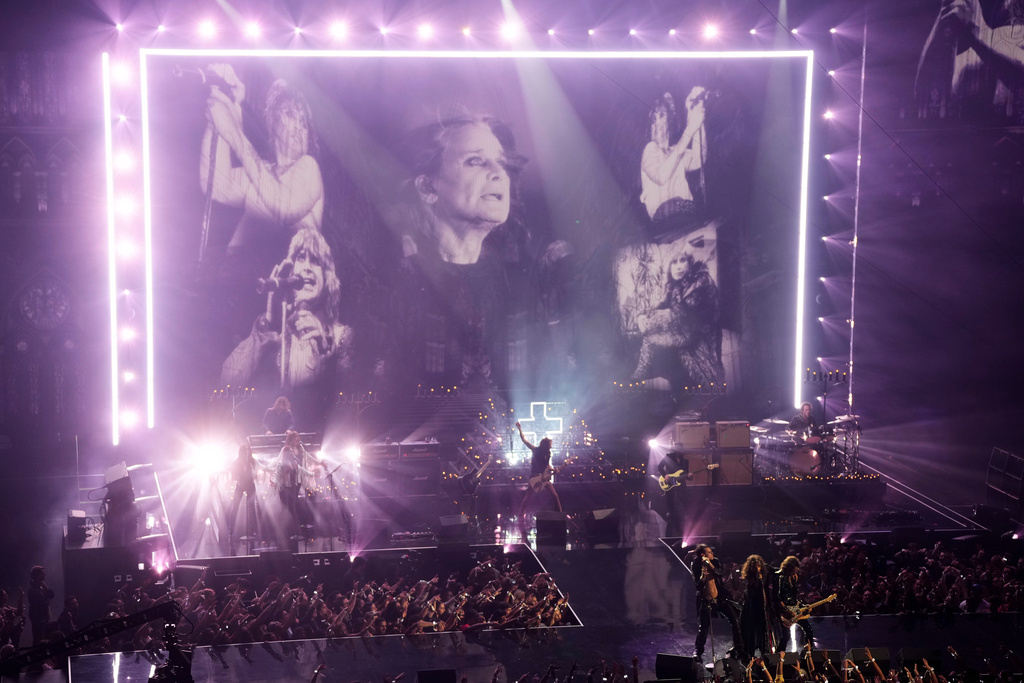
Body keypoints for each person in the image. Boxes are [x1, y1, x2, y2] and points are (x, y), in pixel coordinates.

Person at [386, 115, 527, 392]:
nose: (499, 173)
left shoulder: (517, 286)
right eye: (475, 160)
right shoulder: (398, 280)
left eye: (502, 162)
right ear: (427, 187)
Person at [201, 66, 324, 254]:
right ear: (273, 122)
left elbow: (284, 209)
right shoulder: (261, 172)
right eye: (291, 114)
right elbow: (216, 187)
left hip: (285, 280)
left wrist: (233, 131)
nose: (299, 127)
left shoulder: (309, 167)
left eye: (304, 123)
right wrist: (227, 107)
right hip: (237, 277)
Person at [220, 227, 353, 388]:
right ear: (291, 272)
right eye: (301, 258)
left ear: (326, 277)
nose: (307, 268)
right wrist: (268, 325)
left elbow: (348, 400)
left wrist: (326, 355)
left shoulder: (341, 338)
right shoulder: (277, 333)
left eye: (316, 261)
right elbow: (228, 384)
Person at [631, 243, 723, 388]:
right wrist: (641, 316)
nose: (678, 267)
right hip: (682, 348)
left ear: (690, 263)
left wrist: (654, 320)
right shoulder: (674, 287)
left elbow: (686, 319)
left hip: (699, 352)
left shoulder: (700, 284)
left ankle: (639, 374)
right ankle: (638, 375)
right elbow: (659, 304)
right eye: (674, 262)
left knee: (705, 391)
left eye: (682, 261)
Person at [640, 88, 707, 225]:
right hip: (664, 223)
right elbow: (661, 176)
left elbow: (699, 159)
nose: (656, 123)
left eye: (661, 116)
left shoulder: (676, 150)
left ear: (670, 121)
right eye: (653, 120)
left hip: (688, 216)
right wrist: (690, 128)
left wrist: (694, 113)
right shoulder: (650, 149)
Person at [690, 544, 744, 664]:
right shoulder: (696, 565)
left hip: (720, 597)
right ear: (703, 555)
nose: (712, 554)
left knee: (735, 620)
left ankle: (739, 648)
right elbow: (698, 585)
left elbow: (720, 574)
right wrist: (703, 575)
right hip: (705, 598)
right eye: (709, 552)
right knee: (704, 627)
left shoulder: (715, 561)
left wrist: (710, 565)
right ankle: (698, 652)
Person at [515, 421, 563, 517]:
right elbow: (524, 440)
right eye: (549, 445)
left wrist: (554, 470)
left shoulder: (548, 453)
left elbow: (547, 466)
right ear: (544, 445)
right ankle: (520, 514)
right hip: (535, 477)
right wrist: (520, 429)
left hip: (544, 478)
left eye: (550, 446)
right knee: (528, 497)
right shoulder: (536, 450)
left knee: (555, 496)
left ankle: (560, 514)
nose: (550, 447)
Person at [738, 554, 778, 659]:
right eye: (754, 566)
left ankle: (764, 654)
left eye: (758, 566)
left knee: (763, 632)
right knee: (751, 633)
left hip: (762, 609)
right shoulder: (748, 578)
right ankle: (750, 655)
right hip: (751, 609)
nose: (757, 568)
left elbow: (775, 571)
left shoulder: (765, 575)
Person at [275, 431, 312, 539]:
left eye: (298, 437)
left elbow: (307, 458)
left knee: (293, 504)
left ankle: (293, 530)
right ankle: (287, 530)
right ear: (291, 439)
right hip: (288, 479)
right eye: (296, 437)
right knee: (288, 506)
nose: (298, 439)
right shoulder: (286, 449)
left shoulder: (301, 448)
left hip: (296, 478)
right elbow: (279, 462)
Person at [776, 555, 814, 651]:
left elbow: (795, 597)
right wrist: (785, 610)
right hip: (786, 613)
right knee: (786, 637)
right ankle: (778, 658)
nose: (795, 571)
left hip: (796, 610)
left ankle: (808, 655)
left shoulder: (793, 578)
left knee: (809, 631)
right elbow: (777, 597)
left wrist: (803, 606)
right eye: (793, 569)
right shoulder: (780, 578)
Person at [227, 443, 259, 542]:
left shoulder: (252, 461)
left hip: (250, 485)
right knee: (234, 508)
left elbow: (259, 467)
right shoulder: (236, 462)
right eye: (245, 450)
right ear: (241, 452)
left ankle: (253, 531)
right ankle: (231, 532)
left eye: (248, 450)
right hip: (240, 486)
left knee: (252, 508)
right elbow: (229, 469)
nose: (247, 452)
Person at [656, 450, 691, 537]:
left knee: (684, 501)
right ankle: (670, 517)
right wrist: (665, 475)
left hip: (681, 484)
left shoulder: (685, 461)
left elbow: (686, 475)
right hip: (670, 482)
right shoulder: (668, 457)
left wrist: (690, 476)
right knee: (670, 501)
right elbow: (660, 467)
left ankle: (685, 522)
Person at [27, 566, 54, 646]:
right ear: (37, 575)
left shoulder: (41, 587)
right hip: (38, 619)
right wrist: (46, 601)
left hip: (44, 618)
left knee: (44, 639)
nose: (45, 575)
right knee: (38, 640)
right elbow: (39, 604)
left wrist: (45, 587)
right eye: (43, 573)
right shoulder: (32, 590)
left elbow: (52, 595)